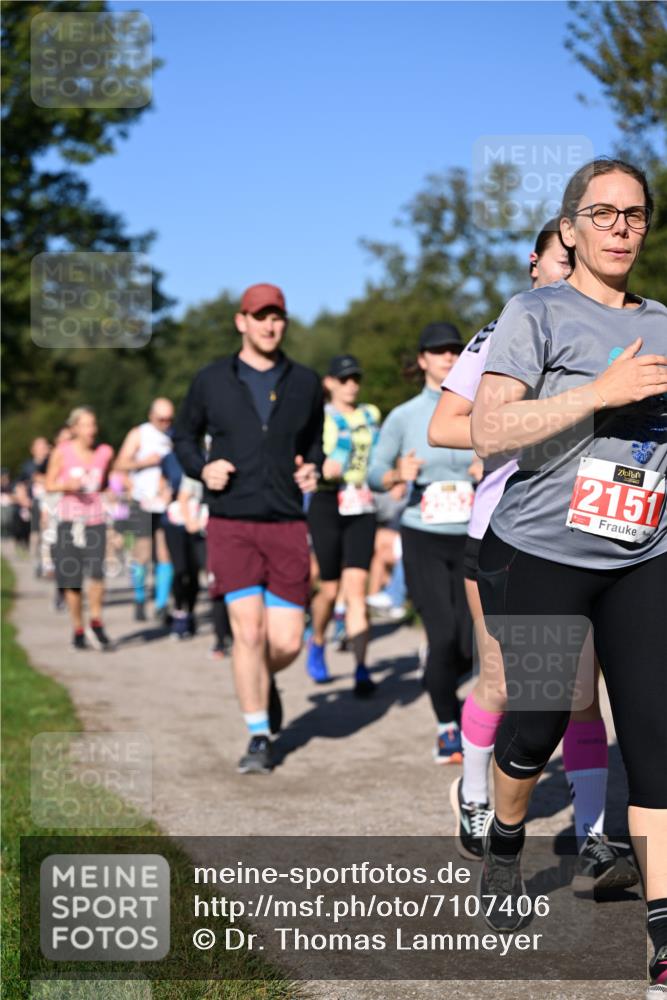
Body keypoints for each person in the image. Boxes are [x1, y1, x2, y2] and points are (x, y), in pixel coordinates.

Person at [469, 158, 667, 994]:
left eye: (634, 214)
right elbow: (487, 429)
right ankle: (504, 848)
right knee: (535, 725)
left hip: (643, 556)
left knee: (656, 748)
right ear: (571, 226)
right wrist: (600, 391)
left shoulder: (663, 323)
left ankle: (662, 942)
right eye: (603, 213)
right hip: (543, 552)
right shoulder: (535, 312)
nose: (620, 228)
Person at [429, 220, 637, 894]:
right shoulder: (503, 331)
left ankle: (593, 837)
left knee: (579, 693)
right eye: (560, 261)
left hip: (590, 535)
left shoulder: (621, 331)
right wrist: (538, 421)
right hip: (507, 533)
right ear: (537, 263)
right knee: (504, 681)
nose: (572, 272)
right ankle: (474, 795)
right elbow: (445, 426)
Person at [174, 283, 323, 774]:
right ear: (242, 321)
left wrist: (312, 467)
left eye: (276, 316)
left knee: (287, 642)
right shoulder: (211, 379)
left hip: (285, 521)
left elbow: (315, 441)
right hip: (231, 520)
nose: (269, 325)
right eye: (260, 316)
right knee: (248, 631)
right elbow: (183, 435)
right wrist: (202, 469)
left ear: (284, 322)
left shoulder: (305, 382)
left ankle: (263, 679)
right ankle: (259, 735)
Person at [368, 322, 477, 762]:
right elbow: (374, 473)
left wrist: (490, 467)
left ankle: (438, 669)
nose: (448, 357)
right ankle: (448, 726)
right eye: (438, 351)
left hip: (472, 537)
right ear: (422, 360)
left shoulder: (481, 409)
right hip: (423, 536)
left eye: (455, 350)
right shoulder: (404, 416)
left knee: (470, 645)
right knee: (444, 635)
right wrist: (398, 473)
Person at [305, 354, 381, 695]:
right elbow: (306, 456)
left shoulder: (371, 414)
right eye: (344, 379)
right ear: (329, 383)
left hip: (361, 503)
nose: (351, 385)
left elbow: (379, 454)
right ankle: (318, 639)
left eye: (355, 379)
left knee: (356, 590)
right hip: (327, 502)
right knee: (330, 588)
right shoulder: (318, 417)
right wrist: (321, 467)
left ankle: (361, 669)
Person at [44, 406, 115, 650]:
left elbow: (106, 483)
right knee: (72, 581)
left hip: (95, 520)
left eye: (93, 424)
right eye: (85, 425)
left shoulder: (104, 452)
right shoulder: (62, 452)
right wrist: (67, 485)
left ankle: (96, 621)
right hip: (69, 522)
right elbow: (49, 484)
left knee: (97, 574)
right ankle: (78, 628)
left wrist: (111, 493)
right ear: (74, 428)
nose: (91, 430)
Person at [114, 399, 175, 622]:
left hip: (164, 503)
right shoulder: (139, 434)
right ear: (151, 416)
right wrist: (144, 463)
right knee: (141, 555)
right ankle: (139, 598)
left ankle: (161, 605)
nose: (166, 423)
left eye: (169, 419)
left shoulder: (173, 436)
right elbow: (120, 464)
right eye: (161, 419)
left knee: (165, 553)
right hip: (141, 501)